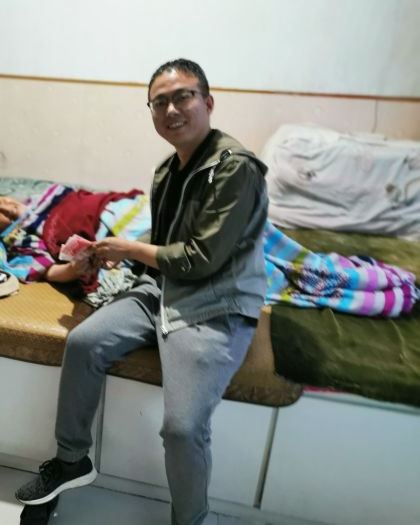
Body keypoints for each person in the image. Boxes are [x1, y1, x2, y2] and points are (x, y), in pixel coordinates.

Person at [14, 59, 269, 525]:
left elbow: (201, 259)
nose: (171, 109)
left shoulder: (235, 169)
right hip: (162, 289)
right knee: (83, 342)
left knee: (182, 428)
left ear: (208, 102)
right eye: (159, 102)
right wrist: (112, 254)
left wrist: (129, 247)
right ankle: (71, 461)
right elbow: (165, 243)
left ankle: (192, 520)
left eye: (183, 96)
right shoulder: (167, 169)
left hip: (216, 303)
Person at [0, 186, 150, 293]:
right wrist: (74, 268)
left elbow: (79, 199)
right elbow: (48, 272)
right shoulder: (18, 239)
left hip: (126, 207)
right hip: (116, 236)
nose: (5, 207)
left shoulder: (47, 196)